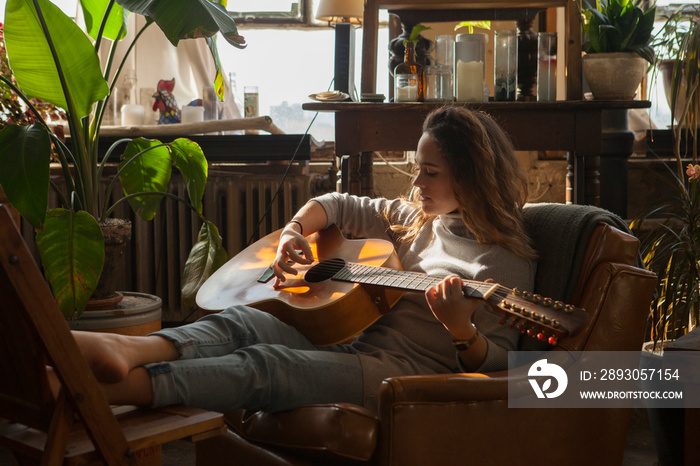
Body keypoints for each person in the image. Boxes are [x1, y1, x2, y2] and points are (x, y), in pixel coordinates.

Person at [73, 106, 537, 414]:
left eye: (430, 173)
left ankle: (112, 392)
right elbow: (336, 203)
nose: (416, 183)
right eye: (416, 167)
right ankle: (129, 349)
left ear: (473, 176)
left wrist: (462, 330)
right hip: (351, 343)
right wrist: (294, 231)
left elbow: (502, 365)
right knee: (243, 321)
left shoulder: (506, 263)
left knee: (267, 365)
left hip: (402, 378)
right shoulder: (414, 218)